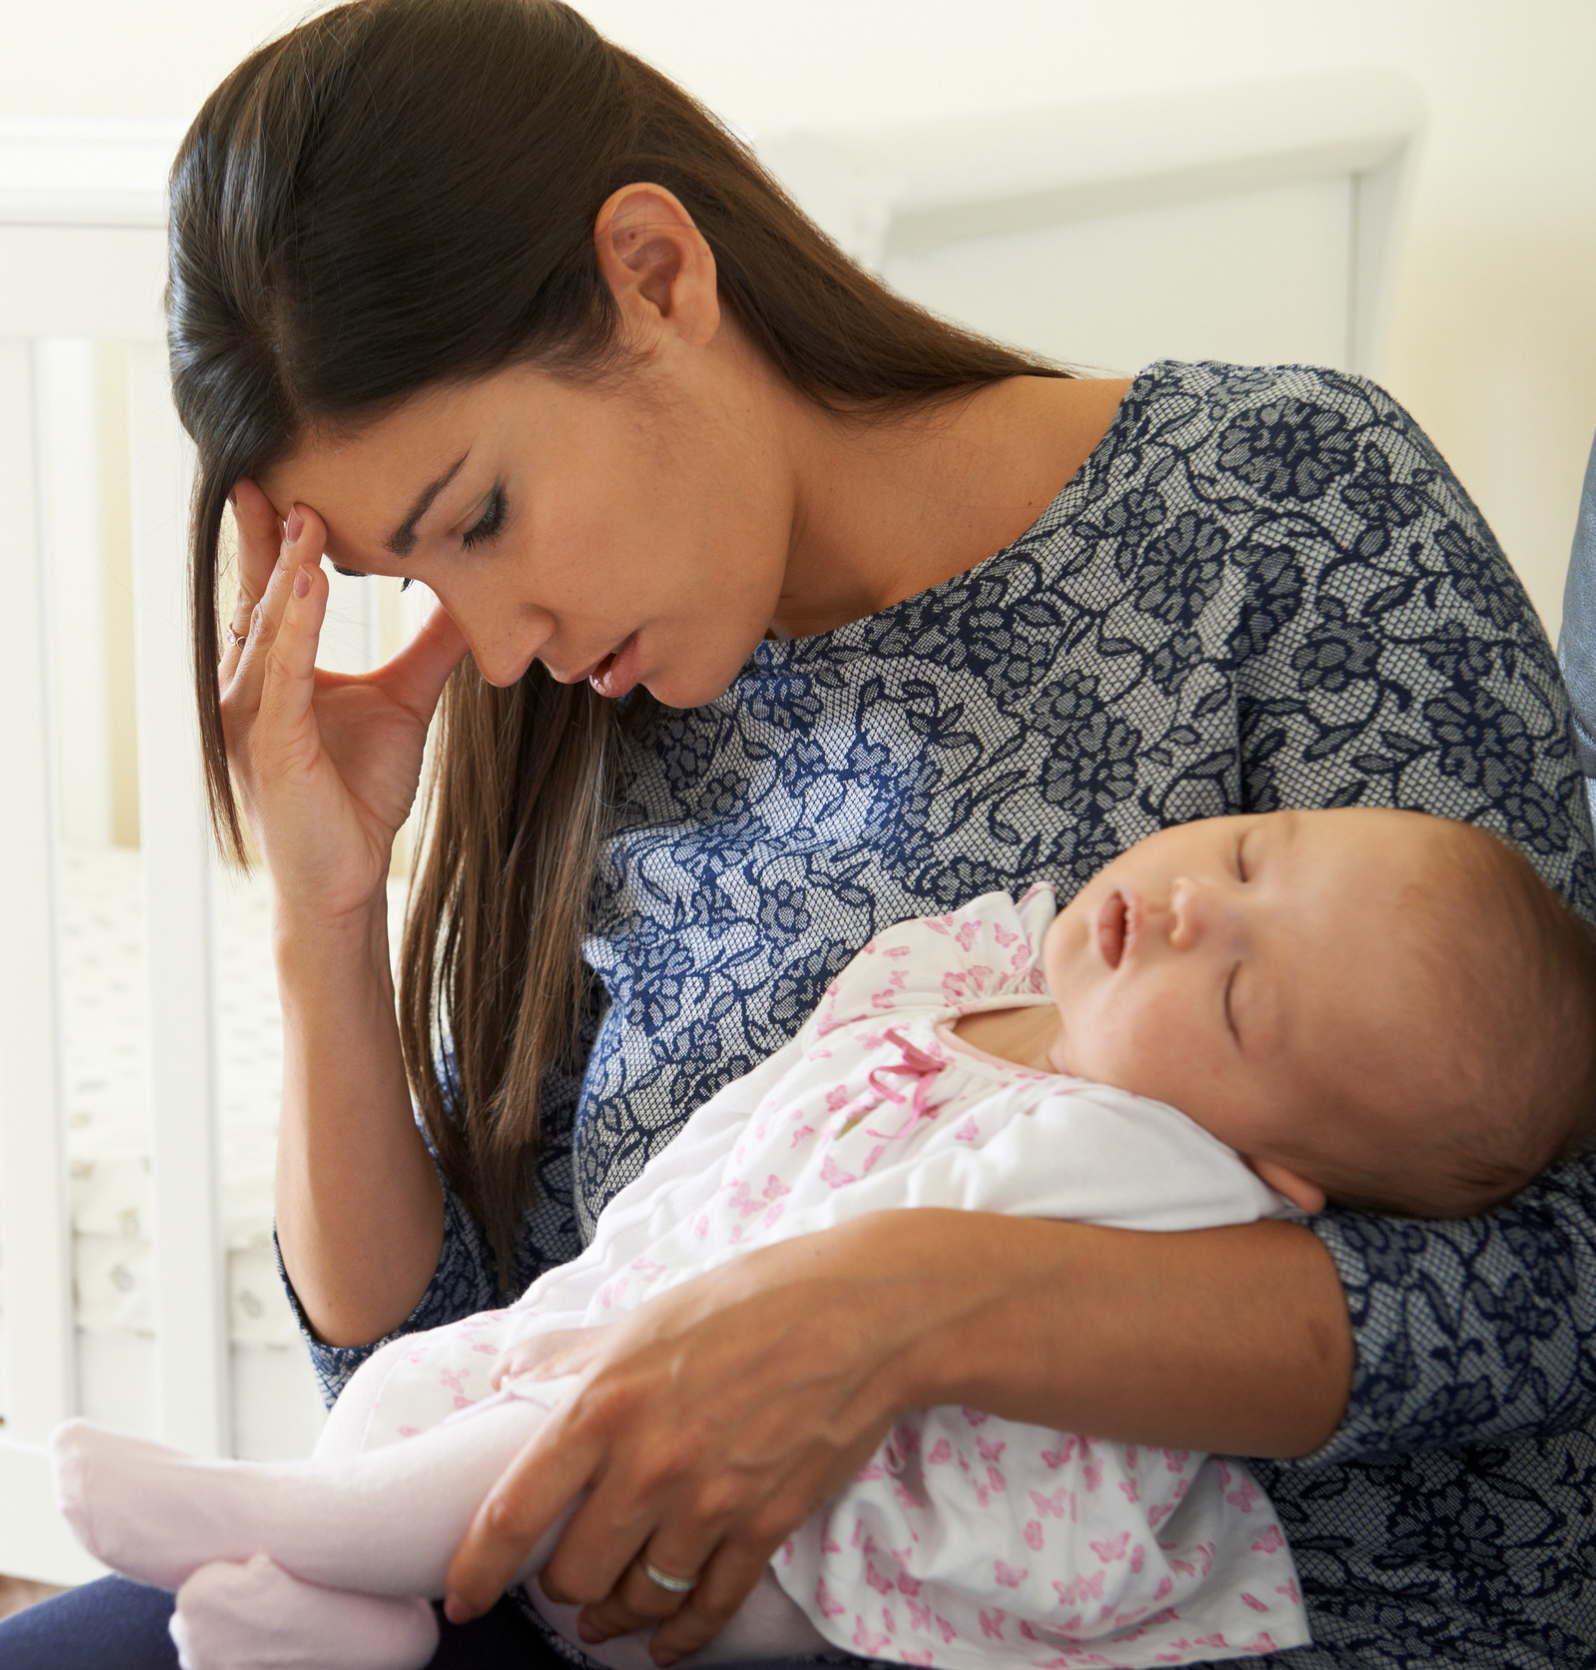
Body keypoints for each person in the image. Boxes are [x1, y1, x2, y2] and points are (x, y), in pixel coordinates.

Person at [8, 2, 1596, 1667]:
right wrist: (324, 919)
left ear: (658, 274)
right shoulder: (586, 716)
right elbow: (442, 1388)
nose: (486, 642)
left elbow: (1554, 1268)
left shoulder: (1286, 503)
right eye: (422, 576)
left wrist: (900, 1311)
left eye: (482, 516)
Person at [47, 808, 1596, 1670]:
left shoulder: (1166, 1164)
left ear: (1279, 1162)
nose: (1196, 911)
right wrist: (329, 925)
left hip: (814, 1531)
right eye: (1250, 853)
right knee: (420, 1386)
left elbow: (1541, 1287)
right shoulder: (989, 963)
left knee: (537, 1425)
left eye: (1246, 998)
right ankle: (340, 1613)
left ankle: (315, 1535)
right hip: (638, 1337)